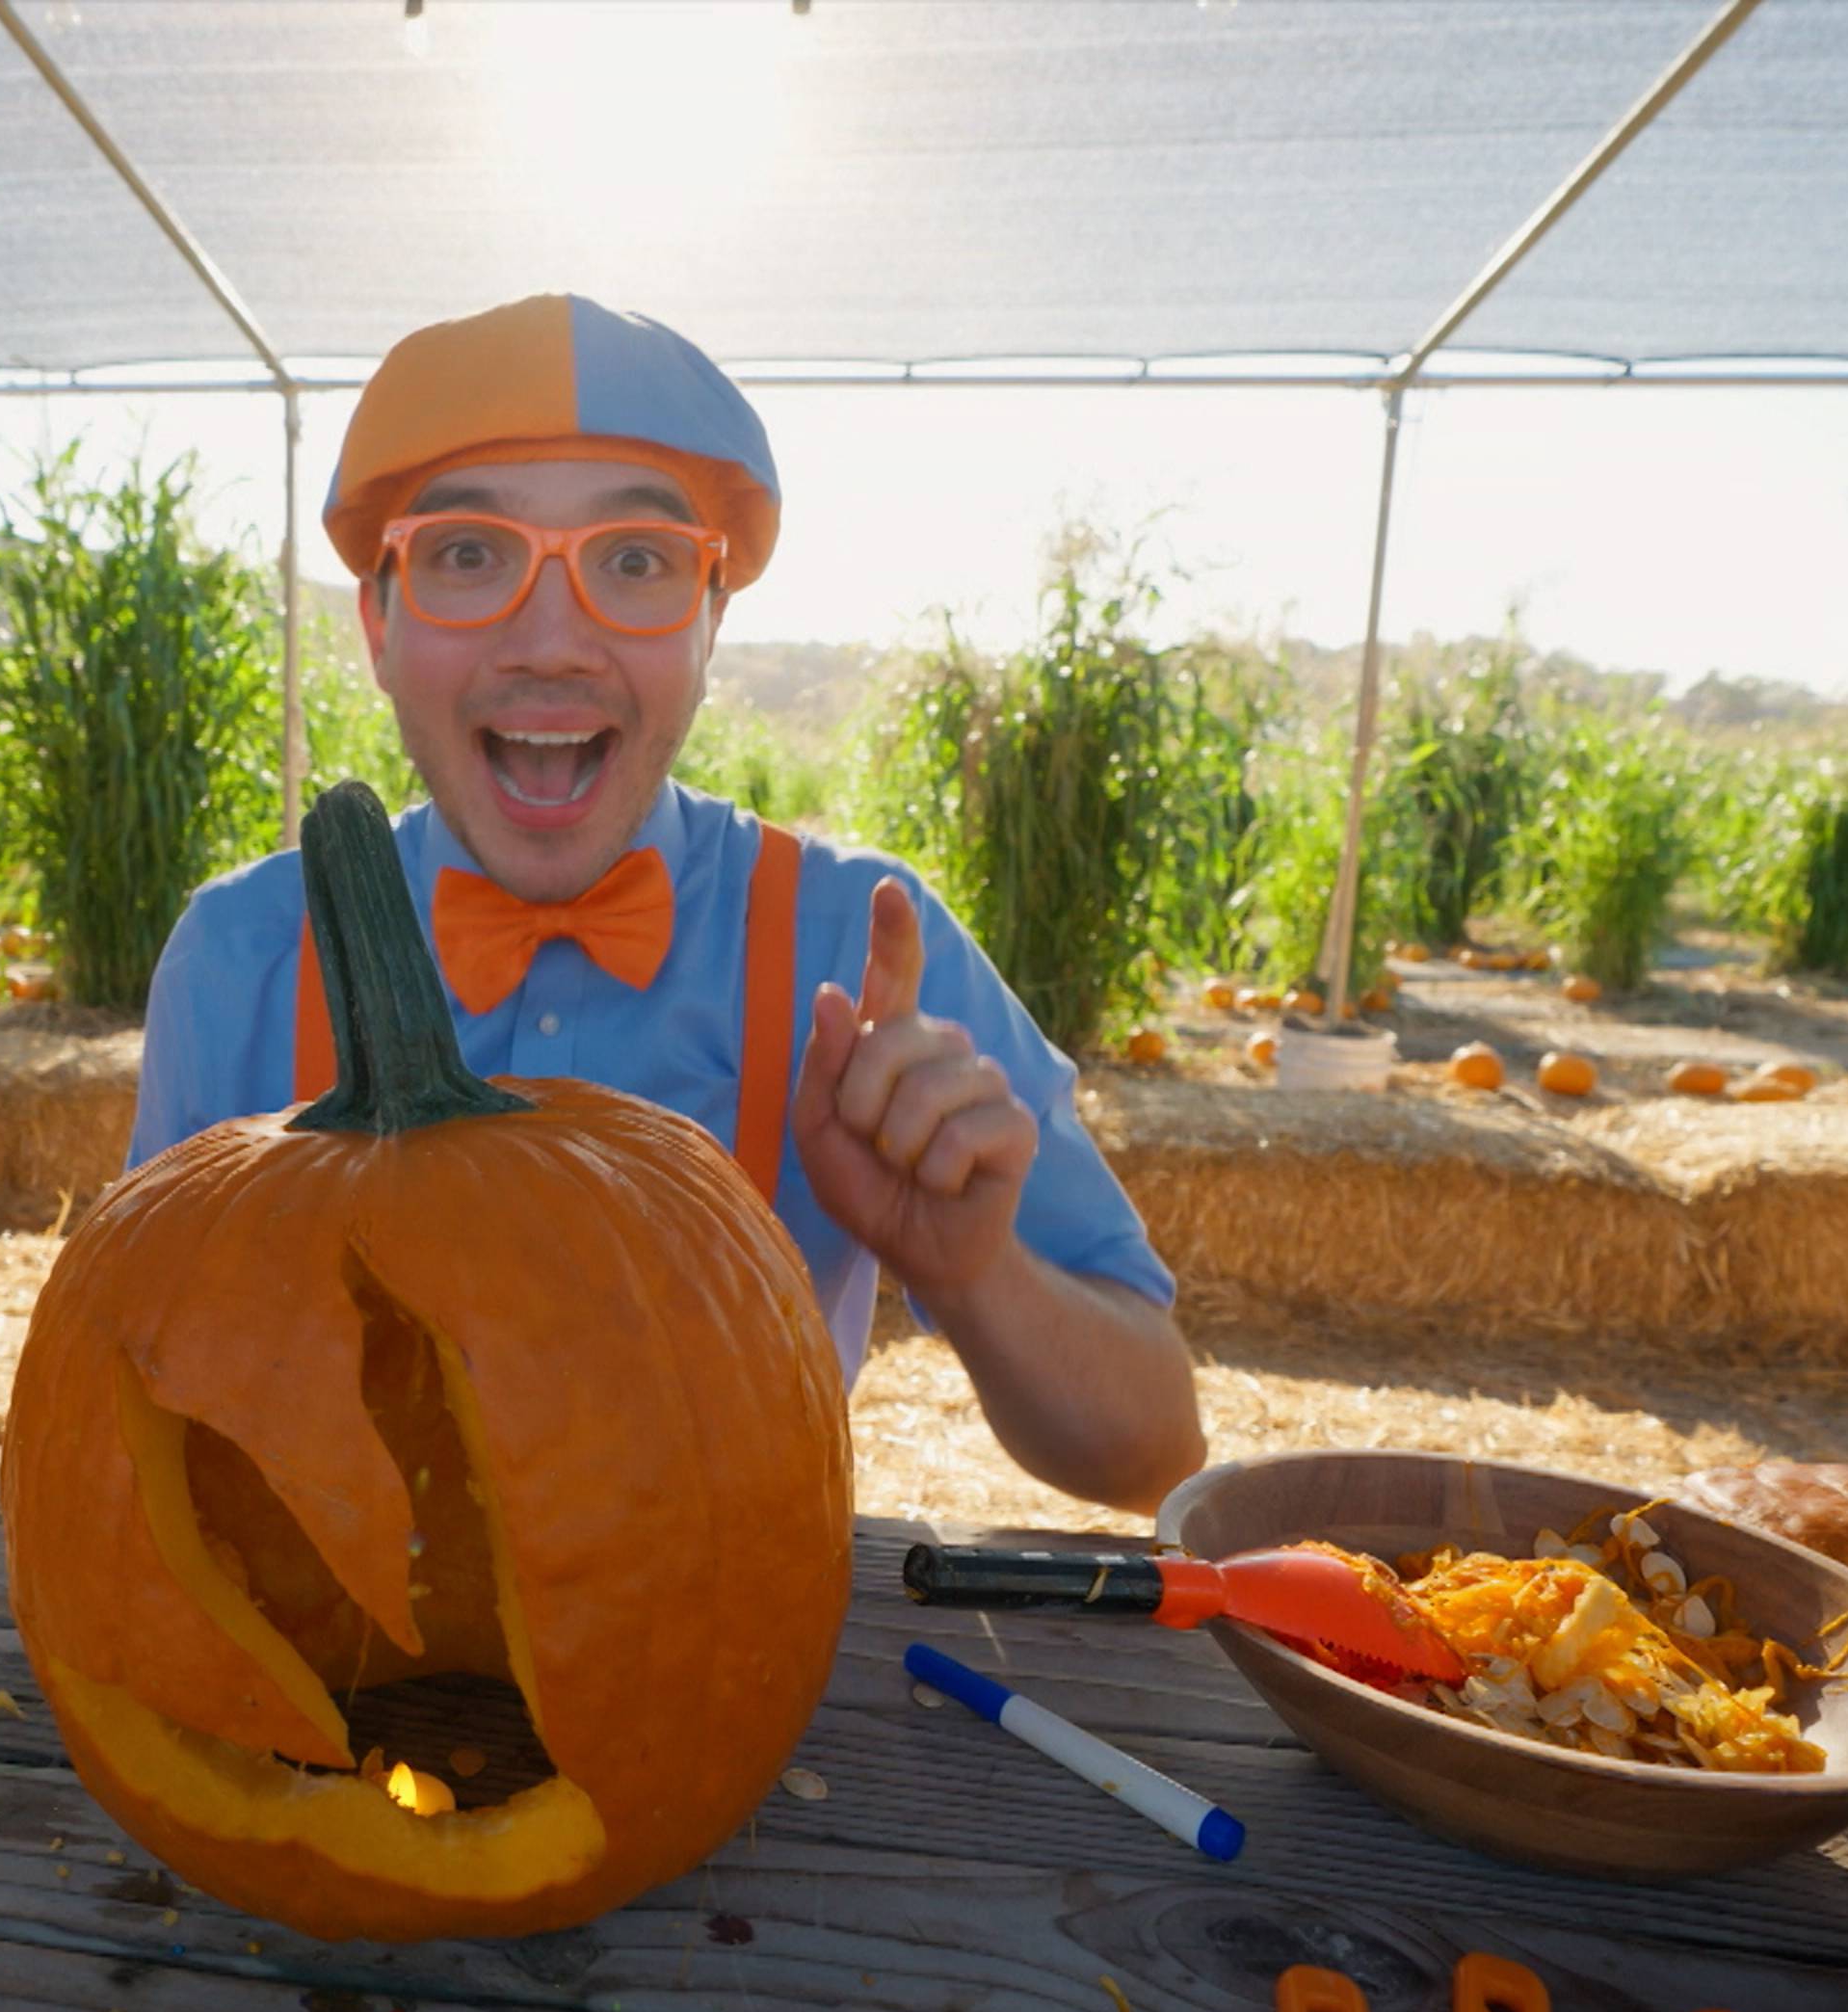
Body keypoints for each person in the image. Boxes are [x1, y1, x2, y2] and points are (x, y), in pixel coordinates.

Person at [131, 293, 1201, 1512]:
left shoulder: (863, 948)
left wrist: (971, 1274)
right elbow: (123, 1402)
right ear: (380, 622)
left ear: (711, 621)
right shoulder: (240, 957)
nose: (549, 641)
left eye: (633, 563)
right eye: (468, 554)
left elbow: (1151, 1451)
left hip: (720, 1664)